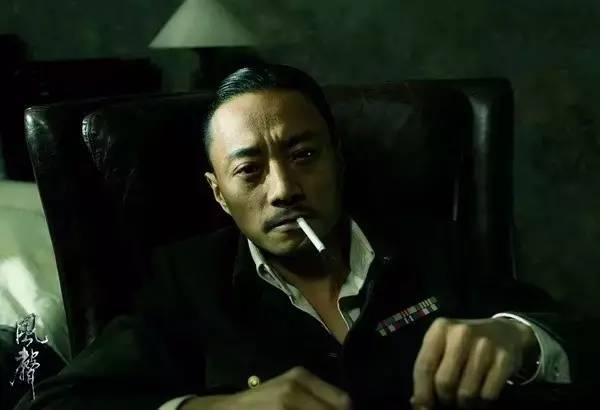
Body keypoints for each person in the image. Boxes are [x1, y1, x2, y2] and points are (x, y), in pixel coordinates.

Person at [15, 64, 597, 410]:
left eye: (304, 156)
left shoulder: (431, 245)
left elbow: (581, 337)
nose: (284, 189)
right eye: (249, 170)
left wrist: (519, 338)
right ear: (219, 194)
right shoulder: (183, 283)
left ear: (337, 159)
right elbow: (54, 402)